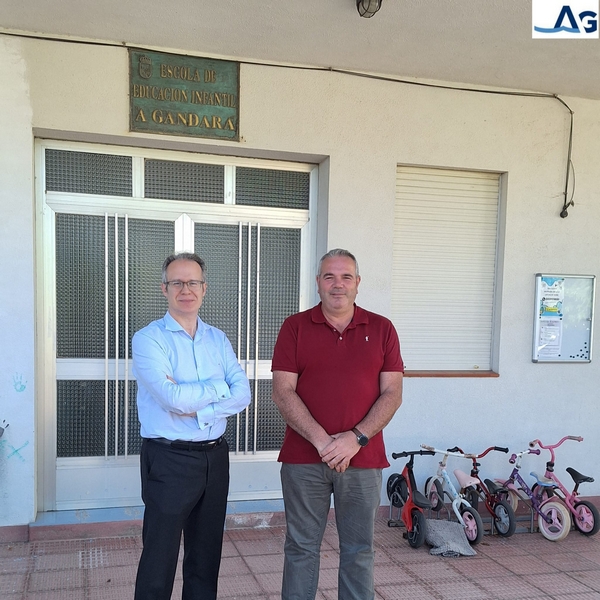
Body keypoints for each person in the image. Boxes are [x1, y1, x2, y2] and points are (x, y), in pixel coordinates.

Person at [272, 248, 404, 600]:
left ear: (358, 283)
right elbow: (283, 392)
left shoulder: (382, 329)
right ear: (318, 282)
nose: (338, 284)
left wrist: (354, 439)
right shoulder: (295, 327)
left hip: (363, 459)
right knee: (300, 548)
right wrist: (323, 442)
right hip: (303, 460)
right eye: (329, 276)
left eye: (346, 277)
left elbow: (392, 393)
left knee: (359, 550)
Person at [132, 252, 251, 600]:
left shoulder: (218, 339)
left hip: (215, 458)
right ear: (164, 289)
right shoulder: (149, 339)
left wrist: (196, 405)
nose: (186, 290)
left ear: (204, 288)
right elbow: (173, 399)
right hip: (169, 460)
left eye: (193, 282)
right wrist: (218, 388)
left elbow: (243, 394)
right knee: (159, 560)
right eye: (177, 283)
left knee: (205, 557)